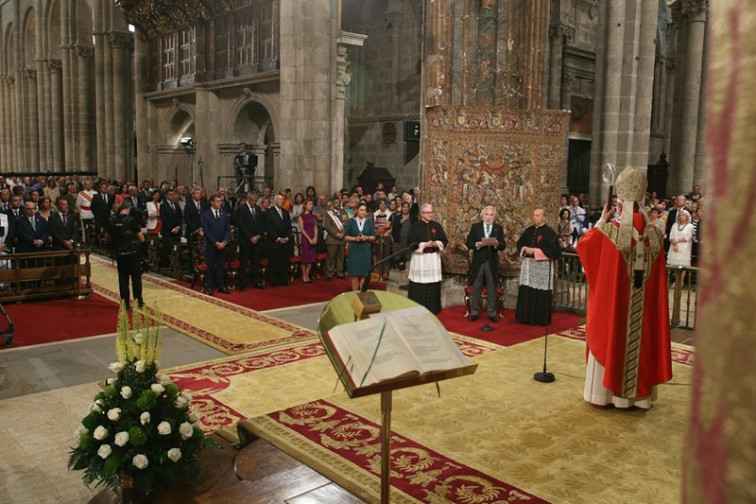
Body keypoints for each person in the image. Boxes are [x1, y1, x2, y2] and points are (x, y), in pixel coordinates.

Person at [577, 166, 671, 409]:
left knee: (613, 332)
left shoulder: (608, 232)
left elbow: (584, 247)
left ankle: (605, 395)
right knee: (644, 337)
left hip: (615, 308)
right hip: (644, 312)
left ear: (618, 206)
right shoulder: (657, 238)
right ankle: (640, 399)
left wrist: (600, 220)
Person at [515, 208, 561, 325]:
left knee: (540, 294)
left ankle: (539, 319)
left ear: (544, 217)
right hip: (528, 266)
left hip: (542, 268)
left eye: (537, 215)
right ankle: (524, 318)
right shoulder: (528, 230)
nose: (534, 217)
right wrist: (525, 249)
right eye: (534, 215)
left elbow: (554, 251)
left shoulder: (550, 233)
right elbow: (519, 244)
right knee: (527, 291)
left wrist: (535, 251)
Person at [466, 205, 506, 322]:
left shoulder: (498, 228)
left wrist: (497, 244)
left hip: (491, 262)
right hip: (478, 262)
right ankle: (474, 312)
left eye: (491, 215)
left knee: (492, 287)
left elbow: (503, 246)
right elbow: (469, 243)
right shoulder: (475, 227)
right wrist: (477, 244)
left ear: (494, 217)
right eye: (487, 214)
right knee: (476, 287)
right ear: (483, 216)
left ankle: (492, 314)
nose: (488, 217)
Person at [407, 203, 448, 314]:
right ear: (422, 214)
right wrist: (424, 244)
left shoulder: (437, 226)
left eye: (431, 212)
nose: (430, 215)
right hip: (420, 260)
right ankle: (417, 309)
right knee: (420, 285)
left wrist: (436, 243)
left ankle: (433, 309)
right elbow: (410, 243)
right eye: (428, 212)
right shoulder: (415, 226)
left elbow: (444, 241)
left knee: (433, 284)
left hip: (433, 259)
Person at [107, 200, 145, 310]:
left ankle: (125, 303)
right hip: (132, 252)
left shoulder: (112, 220)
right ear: (129, 208)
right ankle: (138, 302)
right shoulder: (132, 221)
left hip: (119, 252)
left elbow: (107, 237)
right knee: (136, 278)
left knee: (123, 278)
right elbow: (141, 238)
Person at [201, 194, 231, 296]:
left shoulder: (224, 214)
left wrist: (224, 242)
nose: (220, 203)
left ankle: (221, 285)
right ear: (212, 202)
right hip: (211, 245)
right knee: (210, 267)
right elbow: (207, 231)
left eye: (220, 201)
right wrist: (216, 243)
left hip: (223, 245)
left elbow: (228, 229)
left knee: (221, 266)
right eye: (217, 201)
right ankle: (209, 286)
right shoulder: (206, 215)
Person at [235, 191, 265, 290]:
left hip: (257, 240)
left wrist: (258, 236)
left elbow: (262, 225)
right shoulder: (241, 209)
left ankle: (255, 281)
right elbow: (241, 226)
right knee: (243, 263)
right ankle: (242, 284)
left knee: (256, 262)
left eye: (255, 201)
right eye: (252, 200)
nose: (254, 202)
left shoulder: (258, 209)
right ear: (248, 199)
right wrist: (250, 237)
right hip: (245, 240)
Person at [344, 202, 376, 291]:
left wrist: (367, 237)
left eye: (364, 210)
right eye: (361, 210)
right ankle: (355, 294)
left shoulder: (369, 222)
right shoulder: (351, 221)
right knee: (354, 275)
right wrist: (355, 239)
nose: (363, 212)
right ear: (357, 211)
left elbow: (374, 236)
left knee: (364, 274)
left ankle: (362, 295)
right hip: (354, 250)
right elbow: (345, 236)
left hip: (365, 250)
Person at [265, 194, 293, 286]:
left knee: (284, 262)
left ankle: (283, 279)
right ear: (275, 201)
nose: (282, 202)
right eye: (280, 200)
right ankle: (273, 280)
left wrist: (287, 238)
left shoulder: (285, 212)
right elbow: (268, 228)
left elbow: (289, 227)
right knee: (274, 262)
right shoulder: (269, 212)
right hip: (274, 242)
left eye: (283, 200)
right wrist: (277, 238)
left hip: (285, 242)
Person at [323, 194, 349, 281]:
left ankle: (339, 273)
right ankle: (330, 274)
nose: (337, 204)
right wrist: (336, 234)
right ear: (333, 203)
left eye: (339, 202)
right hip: (332, 239)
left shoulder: (344, 212)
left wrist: (343, 234)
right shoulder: (328, 214)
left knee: (341, 257)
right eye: (336, 202)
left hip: (342, 239)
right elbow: (327, 226)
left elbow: (347, 225)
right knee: (331, 258)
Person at [667, 208, 694, 285]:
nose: (681, 217)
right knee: (674, 264)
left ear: (687, 217)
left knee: (683, 264)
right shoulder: (674, 225)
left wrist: (677, 241)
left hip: (684, 247)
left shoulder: (690, 226)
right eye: (680, 215)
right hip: (674, 246)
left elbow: (687, 238)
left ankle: (680, 281)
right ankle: (676, 280)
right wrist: (674, 244)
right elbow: (671, 235)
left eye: (683, 215)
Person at [159, 188, 183, 268]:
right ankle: (166, 265)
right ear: (166, 196)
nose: (172, 196)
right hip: (167, 231)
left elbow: (180, 217)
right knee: (167, 249)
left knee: (177, 249)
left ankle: (176, 264)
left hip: (177, 230)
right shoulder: (163, 205)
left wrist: (178, 227)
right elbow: (164, 219)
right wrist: (172, 229)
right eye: (170, 194)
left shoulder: (176, 204)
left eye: (173, 194)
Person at [298, 199, 318, 283]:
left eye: (312, 204)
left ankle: (307, 274)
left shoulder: (313, 216)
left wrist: (315, 237)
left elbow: (315, 227)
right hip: (305, 238)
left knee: (311, 258)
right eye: (309, 204)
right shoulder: (301, 216)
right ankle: (303, 275)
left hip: (313, 237)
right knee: (305, 258)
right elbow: (302, 229)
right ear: (305, 205)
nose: (311, 206)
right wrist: (309, 238)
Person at [373, 198, 393, 280]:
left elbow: (388, 226)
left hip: (386, 236)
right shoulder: (375, 213)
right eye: (381, 204)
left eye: (384, 204)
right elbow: (374, 225)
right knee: (376, 254)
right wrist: (382, 224)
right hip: (377, 235)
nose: (382, 205)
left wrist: (379, 225)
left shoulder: (389, 213)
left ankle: (385, 272)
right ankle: (377, 271)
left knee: (386, 255)